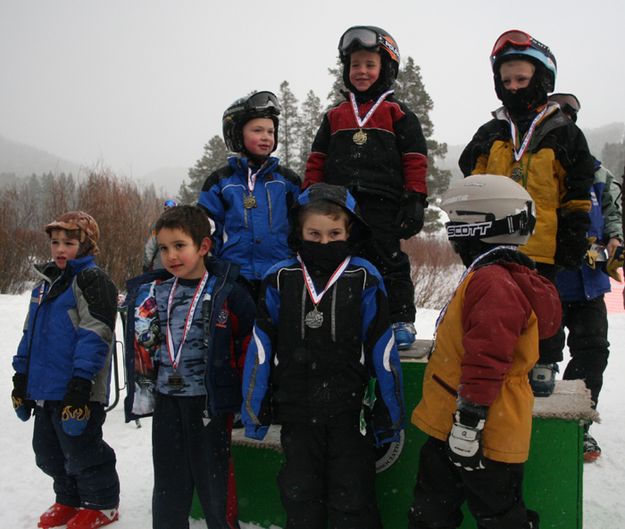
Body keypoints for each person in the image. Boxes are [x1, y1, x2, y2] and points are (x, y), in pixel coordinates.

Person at [241, 183, 405, 529]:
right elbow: (260, 348)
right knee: (300, 494)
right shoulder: (279, 277)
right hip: (297, 410)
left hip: (349, 410)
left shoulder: (364, 276)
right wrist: (254, 410)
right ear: (298, 232)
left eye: (335, 232)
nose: (325, 241)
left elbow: (383, 348)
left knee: (354, 495)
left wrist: (390, 414)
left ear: (350, 231)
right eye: (314, 233)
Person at [408, 174, 562, 529]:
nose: (451, 234)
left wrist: (470, 420)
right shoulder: (497, 274)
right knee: (432, 511)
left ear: (477, 226)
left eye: (456, 224)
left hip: (478, 428)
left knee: (497, 515)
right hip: (458, 421)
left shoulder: (493, 281)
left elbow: (488, 355)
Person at [459, 29, 594, 395]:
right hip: (495, 244)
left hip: (542, 246)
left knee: (542, 311)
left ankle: (545, 362)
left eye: (522, 78)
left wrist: (573, 233)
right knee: (491, 311)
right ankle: (485, 368)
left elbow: (577, 192)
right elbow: (472, 184)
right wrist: (467, 232)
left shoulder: (563, 133)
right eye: (506, 80)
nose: (514, 87)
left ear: (543, 79)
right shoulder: (492, 131)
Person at [126, 205, 255, 529]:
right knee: (169, 483)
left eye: (179, 246)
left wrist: (241, 396)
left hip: (208, 404)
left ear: (203, 247)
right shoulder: (153, 292)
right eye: (164, 248)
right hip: (168, 399)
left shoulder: (228, 293)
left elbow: (246, 347)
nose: (171, 256)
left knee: (214, 485)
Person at [303, 26, 429, 350]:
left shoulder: (397, 113)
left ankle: (400, 317)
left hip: (383, 203)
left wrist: (415, 198)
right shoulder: (334, 115)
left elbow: (415, 159)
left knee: (389, 260)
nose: (361, 71)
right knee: (340, 259)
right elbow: (317, 159)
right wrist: (307, 197)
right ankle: (343, 314)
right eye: (355, 65)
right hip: (339, 205)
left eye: (369, 65)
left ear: (385, 69)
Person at [11, 211, 120, 529]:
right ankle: (69, 498)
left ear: (86, 247)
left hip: (78, 386)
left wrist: (80, 383)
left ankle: (102, 503)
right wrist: (21, 378)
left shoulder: (92, 281)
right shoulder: (44, 285)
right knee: (47, 452)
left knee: (82, 450)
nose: (60, 249)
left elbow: (95, 333)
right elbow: (30, 334)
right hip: (45, 386)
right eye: (55, 242)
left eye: (69, 243)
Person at [549, 92, 624, 462]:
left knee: (592, 355)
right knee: (537, 357)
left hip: (589, 282)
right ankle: (533, 425)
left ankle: (579, 428)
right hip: (544, 280)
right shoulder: (536, 164)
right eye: (556, 112)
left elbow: (614, 211)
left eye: (569, 114)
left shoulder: (596, 170)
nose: (563, 119)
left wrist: (616, 237)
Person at [198, 91, 301, 302]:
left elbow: (301, 224)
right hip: (234, 277)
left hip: (281, 274)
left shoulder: (287, 181)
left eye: (271, 131)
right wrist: (214, 266)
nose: (266, 137)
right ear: (237, 134)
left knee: (278, 333)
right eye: (257, 130)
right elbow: (207, 230)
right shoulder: (220, 182)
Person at [143, 198, 178, 272]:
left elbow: (150, 247)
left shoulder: (159, 225)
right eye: (167, 209)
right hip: (176, 268)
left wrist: (146, 265)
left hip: (161, 268)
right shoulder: (183, 226)